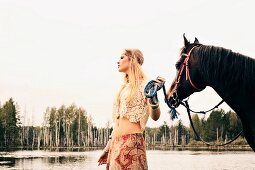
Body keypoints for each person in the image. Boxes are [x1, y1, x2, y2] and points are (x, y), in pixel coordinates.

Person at [98, 48, 164, 170]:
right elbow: (117, 124)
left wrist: (153, 97)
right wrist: (107, 149)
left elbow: (155, 117)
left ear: (132, 60)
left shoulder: (145, 85)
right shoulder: (123, 88)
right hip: (116, 144)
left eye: (122, 57)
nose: (118, 61)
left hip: (132, 143)